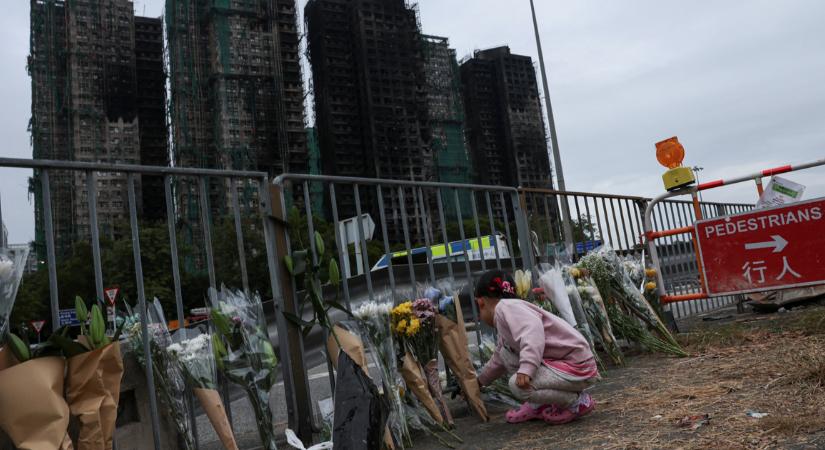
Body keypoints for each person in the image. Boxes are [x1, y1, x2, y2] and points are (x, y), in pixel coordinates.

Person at [476, 269, 599, 425]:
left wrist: (527, 368)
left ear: (480, 302)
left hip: (576, 366)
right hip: (570, 364)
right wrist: (480, 381)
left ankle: (576, 403)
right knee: (505, 353)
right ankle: (539, 405)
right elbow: (499, 359)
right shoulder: (510, 309)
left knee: (517, 386)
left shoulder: (504, 308)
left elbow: (532, 331)